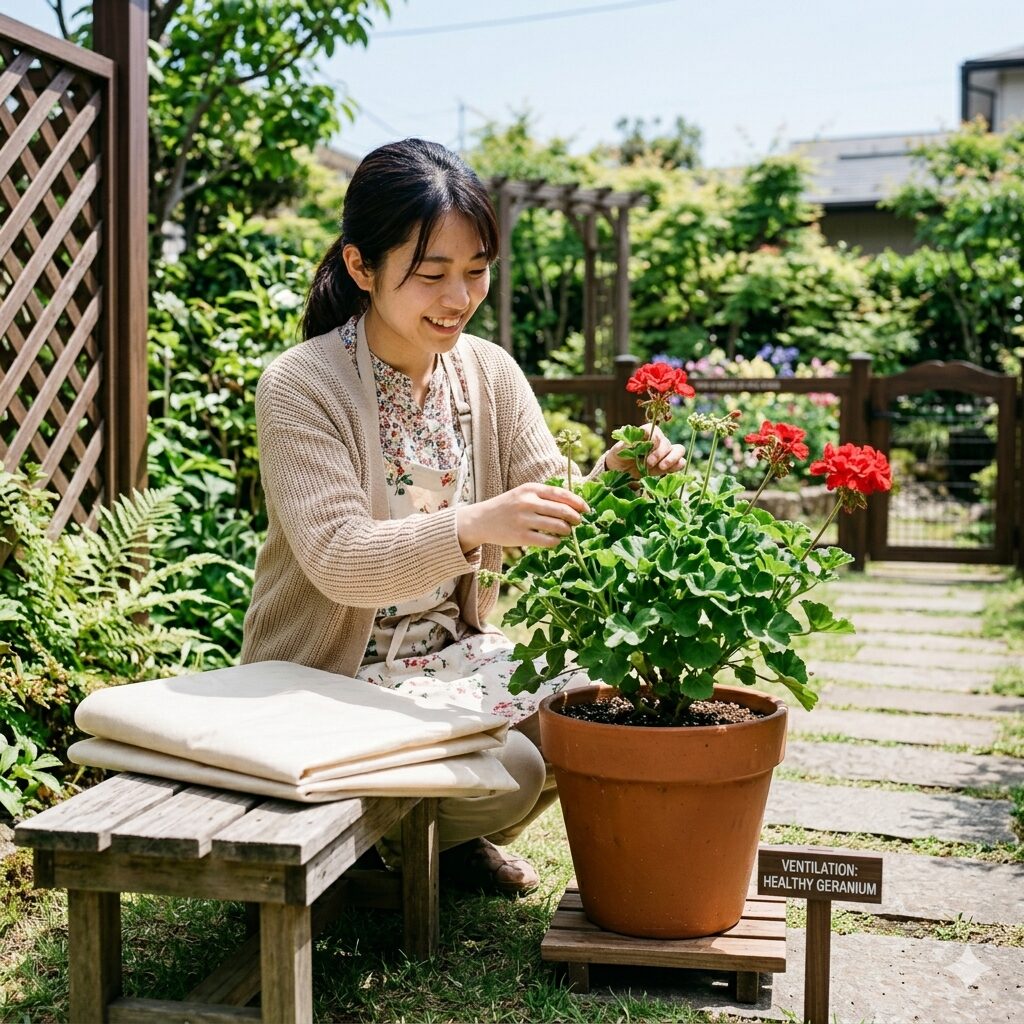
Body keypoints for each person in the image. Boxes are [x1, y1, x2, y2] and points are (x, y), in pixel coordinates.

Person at [241, 138, 685, 896]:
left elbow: (549, 498)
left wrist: (615, 480)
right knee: (514, 770)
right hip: (327, 676)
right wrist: (472, 526)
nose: (459, 298)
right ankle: (392, 855)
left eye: (476, 272)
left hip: (446, 657)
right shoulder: (301, 385)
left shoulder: (488, 371)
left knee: (597, 720)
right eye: (432, 274)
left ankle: (436, 847)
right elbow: (339, 558)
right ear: (360, 267)